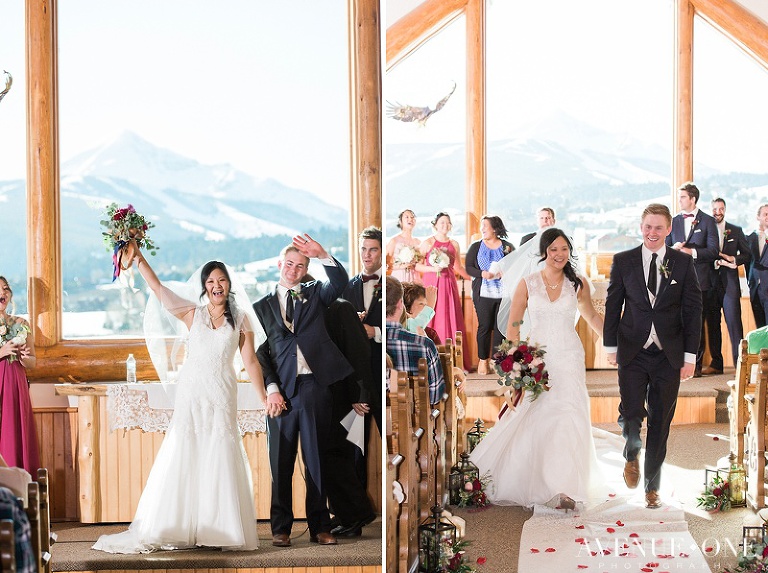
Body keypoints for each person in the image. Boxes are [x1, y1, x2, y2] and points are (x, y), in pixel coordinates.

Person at [93, 244, 277, 553]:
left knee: (219, 452)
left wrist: (263, 397)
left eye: (221, 280)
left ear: (229, 283)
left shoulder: (242, 319)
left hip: (221, 392)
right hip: (192, 392)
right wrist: (139, 258)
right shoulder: (193, 313)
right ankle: (177, 526)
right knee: (186, 450)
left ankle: (219, 528)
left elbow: (252, 362)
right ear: (204, 287)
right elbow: (159, 289)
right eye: (210, 282)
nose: (216, 286)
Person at [469, 228, 604, 508]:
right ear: (543, 252)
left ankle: (566, 488)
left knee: (569, 414)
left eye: (564, 249)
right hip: (538, 359)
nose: (559, 254)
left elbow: (590, 315)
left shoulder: (578, 283)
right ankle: (541, 482)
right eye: (553, 249)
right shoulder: (528, 283)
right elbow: (514, 325)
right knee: (539, 417)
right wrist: (517, 361)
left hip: (569, 356)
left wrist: (615, 343)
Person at [253, 234, 353, 548]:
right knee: (280, 463)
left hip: (315, 388)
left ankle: (319, 527)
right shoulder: (260, 306)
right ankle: (280, 528)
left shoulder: (316, 294)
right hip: (281, 392)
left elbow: (341, 282)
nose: (294, 270)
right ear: (279, 264)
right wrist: (271, 389)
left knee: (317, 462)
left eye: (300, 265)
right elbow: (260, 353)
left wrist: (322, 253)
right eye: (290, 264)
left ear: (305, 268)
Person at [605, 203, 702, 509]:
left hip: (668, 355)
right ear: (641, 227)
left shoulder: (682, 264)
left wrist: (689, 356)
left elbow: (693, 310)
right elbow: (612, 305)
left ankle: (651, 486)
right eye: (648, 227)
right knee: (631, 412)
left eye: (658, 227)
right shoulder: (624, 261)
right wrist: (611, 347)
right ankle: (631, 454)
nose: (652, 233)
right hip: (633, 350)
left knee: (661, 420)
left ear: (668, 229)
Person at [322, 298, 377, 538]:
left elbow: (359, 352)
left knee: (338, 456)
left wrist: (359, 395)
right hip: (335, 395)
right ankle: (347, 514)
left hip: (350, 397)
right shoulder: (327, 310)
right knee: (334, 456)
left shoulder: (341, 307)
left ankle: (358, 515)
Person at [665, 182, 718, 377]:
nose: (679, 201)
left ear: (693, 199)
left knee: (696, 323)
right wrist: (674, 249)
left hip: (700, 280)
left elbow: (713, 251)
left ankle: (695, 366)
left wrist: (691, 251)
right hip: (677, 280)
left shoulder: (707, 221)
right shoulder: (675, 221)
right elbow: (665, 249)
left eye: (682, 197)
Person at [415, 212, 471, 371]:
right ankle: (432, 359)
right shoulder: (427, 243)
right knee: (431, 316)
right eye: (442, 223)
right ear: (435, 225)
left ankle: (456, 362)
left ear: (451, 225)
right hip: (431, 282)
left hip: (448, 283)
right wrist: (433, 268)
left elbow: (458, 267)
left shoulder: (455, 244)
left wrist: (473, 279)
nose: (445, 225)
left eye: (447, 223)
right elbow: (417, 266)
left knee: (450, 316)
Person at [341, 226, 383, 433]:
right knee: (356, 446)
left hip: (384, 369)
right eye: (363, 249)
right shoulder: (348, 287)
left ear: (382, 252)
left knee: (389, 435)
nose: (366, 255)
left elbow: (400, 324)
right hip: (357, 376)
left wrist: (376, 332)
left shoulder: (391, 285)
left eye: (373, 249)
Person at [0, 276, 40, 476]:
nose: (2, 293)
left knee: (14, 434)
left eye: (6, 289)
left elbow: (32, 361)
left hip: (15, 385)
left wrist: (24, 358)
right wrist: (2, 351)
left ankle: (19, 493)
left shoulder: (21, 323)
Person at [465, 215, 515, 374]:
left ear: (495, 228)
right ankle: (483, 361)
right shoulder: (475, 247)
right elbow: (469, 268)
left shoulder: (508, 247)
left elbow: (515, 266)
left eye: (485, 226)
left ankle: (498, 361)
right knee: (485, 326)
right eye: (482, 226)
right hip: (483, 293)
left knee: (501, 328)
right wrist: (482, 273)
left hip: (504, 294)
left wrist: (505, 272)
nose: (482, 229)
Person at [385, 276, 445, 405]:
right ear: (401, 305)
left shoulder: (367, 340)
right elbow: (435, 397)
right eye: (421, 304)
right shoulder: (424, 343)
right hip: (418, 417)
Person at [708, 198, 750, 369]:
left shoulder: (736, 230)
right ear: (711, 210)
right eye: (715, 209)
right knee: (712, 323)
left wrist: (734, 259)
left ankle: (739, 365)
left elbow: (747, 255)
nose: (718, 212)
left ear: (725, 209)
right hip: (709, 283)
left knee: (734, 323)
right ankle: (716, 364)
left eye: (721, 209)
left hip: (730, 283)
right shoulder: (705, 229)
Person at [386, 209, 422, 283]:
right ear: (400, 222)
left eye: (412, 217)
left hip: (414, 277)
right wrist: (402, 266)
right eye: (407, 217)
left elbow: (421, 262)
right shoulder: (394, 241)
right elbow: (386, 264)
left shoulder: (418, 242)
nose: (410, 219)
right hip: (399, 276)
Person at [747, 204, 768, 329]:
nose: (767, 217)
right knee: (760, 328)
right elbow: (746, 261)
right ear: (758, 217)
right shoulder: (749, 238)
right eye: (765, 214)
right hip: (755, 288)